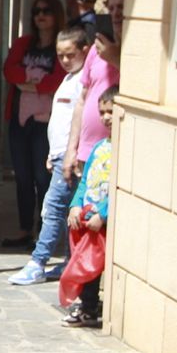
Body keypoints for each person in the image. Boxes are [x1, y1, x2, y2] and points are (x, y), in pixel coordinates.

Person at [10, 25, 88, 286]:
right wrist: (54, 154)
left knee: (52, 209)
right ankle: (68, 260)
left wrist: (69, 154)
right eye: (60, 55)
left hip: (70, 158)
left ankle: (38, 261)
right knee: (64, 210)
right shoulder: (68, 80)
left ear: (84, 51)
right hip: (59, 155)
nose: (65, 60)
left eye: (70, 54)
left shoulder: (82, 83)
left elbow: (80, 123)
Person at [1, 0, 64, 247]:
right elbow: (9, 71)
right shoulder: (23, 43)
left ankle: (44, 230)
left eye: (46, 10)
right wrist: (35, 79)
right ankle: (24, 228)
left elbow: (57, 79)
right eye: (37, 10)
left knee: (43, 177)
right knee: (23, 177)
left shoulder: (61, 44)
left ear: (56, 15)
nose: (41, 15)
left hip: (46, 122)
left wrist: (28, 83)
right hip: (19, 119)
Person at [61, 87, 116, 329]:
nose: (106, 117)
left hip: (100, 220)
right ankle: (86, 303)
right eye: (102, 112)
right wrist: (74, 206)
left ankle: (89, 307)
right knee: (81, 261)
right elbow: (85, 181)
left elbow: (118, 187)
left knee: (92, 266)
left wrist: (104, 214)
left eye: (111, 112)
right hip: (85, 217)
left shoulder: (123, 149)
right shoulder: (100, 147)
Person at [65, 0, 124, 183]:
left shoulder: (133, 56)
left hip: (112, 152)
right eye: (112, 8)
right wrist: (71, 149)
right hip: (85, 152)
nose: (115, 14)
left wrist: (115, 58)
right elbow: (82, 100)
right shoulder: (95, 50)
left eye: (122, 7)